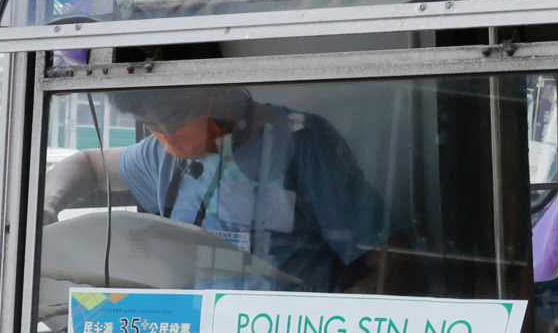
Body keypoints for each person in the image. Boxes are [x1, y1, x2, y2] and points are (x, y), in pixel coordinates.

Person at [41, 84, 409, 293]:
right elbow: (86, 165)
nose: (166, 136)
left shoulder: (302, 142)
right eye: (150, 124)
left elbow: (390, 261)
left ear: (215, 95)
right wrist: (48, 207)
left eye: (174, 120)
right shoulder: (161, 157)